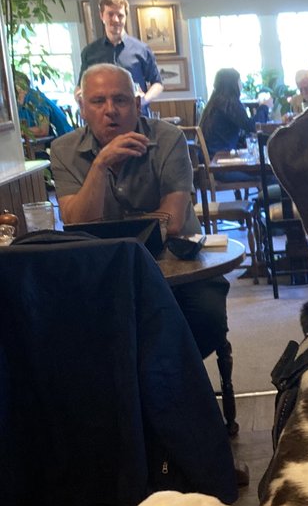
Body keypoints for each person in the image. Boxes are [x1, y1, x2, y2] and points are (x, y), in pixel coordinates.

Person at [50, 63, 229, 361]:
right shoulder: (63, 150)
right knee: (73, 330)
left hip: (179, 264)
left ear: (136, 104)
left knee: (207, 319)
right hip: (106, 271)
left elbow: (171, 221)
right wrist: (100, 165)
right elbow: (76, 221)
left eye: (120, 100)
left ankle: (165, 386)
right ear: (82, 107)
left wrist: (110, 230)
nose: (111, 110)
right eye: (98, 101)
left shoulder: (168, 138)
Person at [78, 0, 164, 111]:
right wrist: (80, 97)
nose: (116, 19)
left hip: (136, 116)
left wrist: (144, 100)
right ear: (102, 16)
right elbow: (80, 88)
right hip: (102, 118)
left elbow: (157, 84)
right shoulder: (90, 52)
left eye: (120, 15)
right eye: (110, 14)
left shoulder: (142, 50)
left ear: (125, 17)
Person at [199, 67, 255, 155]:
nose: (241, 84)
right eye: (239, 80)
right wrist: (264, 106)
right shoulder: (229, 103)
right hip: (219, 158)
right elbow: (251, 126)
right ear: (233, 84)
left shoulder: (216, 101)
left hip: (212, 156)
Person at [14, 71, 74, 142]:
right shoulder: (18, 102)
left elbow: (42, 130)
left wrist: (18, 132)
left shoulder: (36, 98)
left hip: (66, 140)